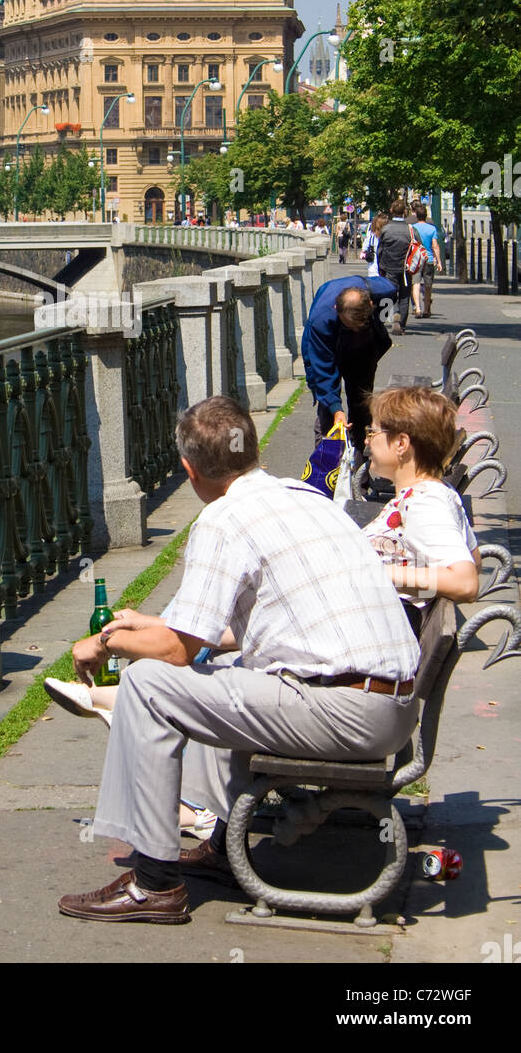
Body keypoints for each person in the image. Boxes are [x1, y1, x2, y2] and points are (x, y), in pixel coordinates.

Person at [57, 397, 420, 923]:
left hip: (348, 712)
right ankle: (228, 848)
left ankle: (154, 884)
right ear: (250, 449)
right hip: (389, 705)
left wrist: (104, 643)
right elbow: (227, 630)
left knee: (147, 687)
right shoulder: (305, 497)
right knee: (232, 674)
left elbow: (178, 651)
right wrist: (142, 625)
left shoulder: (223, 519)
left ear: (189, 469)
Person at [363, 386, 480, 626]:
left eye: (373, 432)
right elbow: (473, 558)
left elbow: (466, 583)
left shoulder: (424, 502)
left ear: (401, 444)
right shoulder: (438, 491)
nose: (366, 439)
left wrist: (374, 573)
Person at [301, 275, 397, 455]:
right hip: (326, 347)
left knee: (361, 402)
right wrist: (336, 408)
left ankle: (360, 463)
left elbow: (389, 304)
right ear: (337, 309)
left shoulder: (384, 292)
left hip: (361, 348)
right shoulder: (320, 321)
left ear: (370, 304)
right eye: (350, 325)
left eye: (359, 325)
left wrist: (378, 320)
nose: (354, 328)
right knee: (328, 411)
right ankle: (326, 468)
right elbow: (323, 371)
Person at [378, 199, 423, 335]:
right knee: (404, 296)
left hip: (389, 267)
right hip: (406, 269)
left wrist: (381, 266)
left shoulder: (386, 229)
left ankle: (390, 316)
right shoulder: (411, 230)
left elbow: (380, 250)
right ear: (405, 212)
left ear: (391, 211)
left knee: (388, 294)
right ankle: (402, 324)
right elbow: (418, 249)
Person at [409, 202, 443, 318]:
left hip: (416, 260)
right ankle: (426, 309)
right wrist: (439, 261)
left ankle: (417, 308)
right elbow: (435, 245)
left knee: (416, 283)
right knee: (428, 285)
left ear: (417, 216)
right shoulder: (432, 228)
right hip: (428, 258)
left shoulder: (412, 228)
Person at [360, 212, 388, 278]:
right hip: (385, 263)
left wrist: (363, 251)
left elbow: (366, 243)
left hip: (374, 263)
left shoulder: (371, 233)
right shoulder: (387, 234)